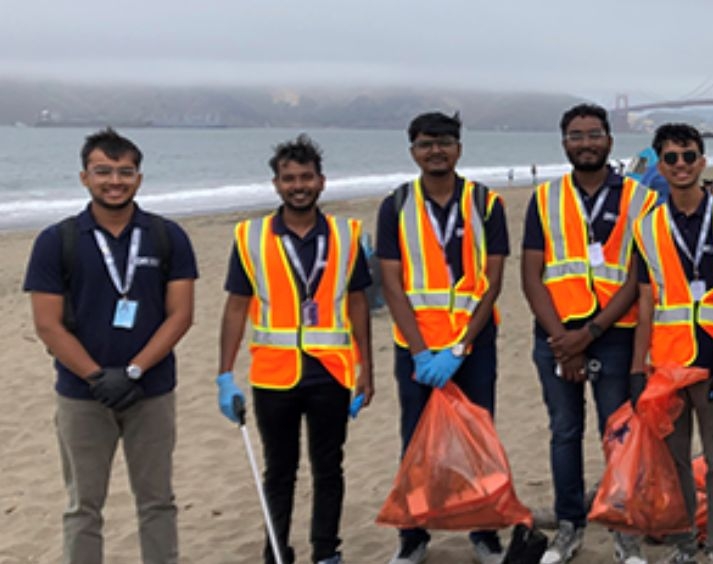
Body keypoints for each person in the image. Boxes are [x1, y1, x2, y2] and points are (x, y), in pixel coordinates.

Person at [24, 128, 197, 564]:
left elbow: (180, 315)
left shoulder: (167, 236)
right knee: (83, 506)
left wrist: (134, 371)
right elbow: (47, 325)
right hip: (82, 396)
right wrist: (98, 377)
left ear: (139, 178)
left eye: (125, 172)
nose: (114, 181)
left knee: (157, 501)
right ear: (84, 177)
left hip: (151, 391)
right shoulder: (56, 240)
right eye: (103, 171)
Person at [214, 135, 374, 564]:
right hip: (273, 375)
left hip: (332, 372)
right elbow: (235, 308)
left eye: (306, 177)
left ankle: (326, 552)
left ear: (321, 182)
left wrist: (366, 369)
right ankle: (277, 552)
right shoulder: (250, 236)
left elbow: (358, 303)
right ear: (276, 184)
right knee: (279, 472)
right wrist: (224, 374)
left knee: (328, 468)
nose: (298, 185)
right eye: (289, 178)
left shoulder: (346, 233)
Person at [520, 104, 655, 564]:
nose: (585, 143)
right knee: (564, 432)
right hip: (556, 335)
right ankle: (570, 526)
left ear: (610, 141)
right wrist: (563, 339)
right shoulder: (544, 198)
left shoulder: (640, 197)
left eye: (594, 134)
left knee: (618, 434)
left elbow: (639, 276)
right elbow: (531, 274)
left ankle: (622, 528)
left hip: (615, 334)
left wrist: (591, 332)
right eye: (575, 135)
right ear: (564, 143)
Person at [376, 112, 510, 564]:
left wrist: (459, 347)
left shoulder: (486, 203)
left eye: (446, 142)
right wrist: (419, 350)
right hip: (416, 347)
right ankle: (413, 536)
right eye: (426, 143)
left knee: (479, 436)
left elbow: (492, 281)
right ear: (412, 149)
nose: (437, 150)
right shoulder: (395, 204)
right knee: (416, 441)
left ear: (459, 147)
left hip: (472, 344)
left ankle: (484, 531)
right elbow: (391, 283)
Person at [631, 123, 713, 563]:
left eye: (688, 156)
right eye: (670, 158)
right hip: (667, 363)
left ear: (703, 161)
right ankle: (686, 542)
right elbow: (646, 302)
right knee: (675, 459)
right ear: (659, 166)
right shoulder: (647, 228)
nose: (680, 165)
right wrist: (636, 370)